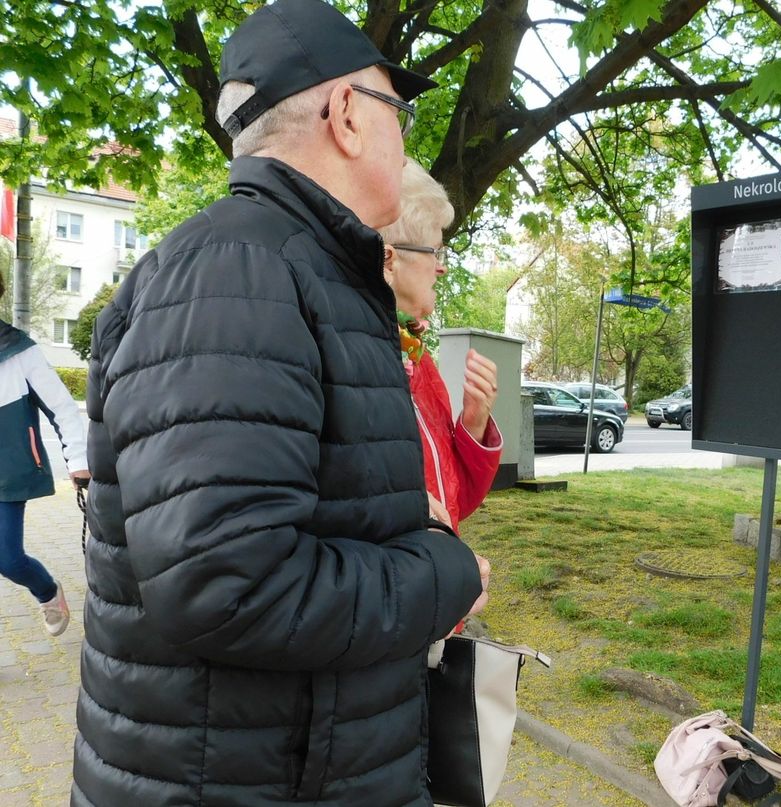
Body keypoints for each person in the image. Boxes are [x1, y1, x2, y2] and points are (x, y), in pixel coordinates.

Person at [72, 1, 487, 805]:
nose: (407, 138)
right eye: (397, 111)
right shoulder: (238, 273)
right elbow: (227, 583)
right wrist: (446, 571)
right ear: (345, 116)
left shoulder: (305, 270)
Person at [378, 160, 502, 533]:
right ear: (389, 258)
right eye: (435, 251)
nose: (442, 268)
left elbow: (454, 500)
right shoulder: (347, 356)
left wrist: (475, 421)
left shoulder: (417, 358)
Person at [0, 275, 89, 637]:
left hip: (8, 473)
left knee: (8, 559)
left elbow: (63, 409)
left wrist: (79, 461)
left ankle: (48, 592)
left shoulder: (19, 352)